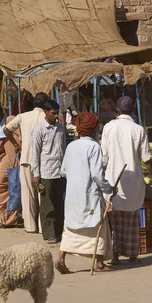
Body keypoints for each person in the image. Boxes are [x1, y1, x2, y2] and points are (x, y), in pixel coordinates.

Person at [102, 95, 152, 266]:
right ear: (133, 110)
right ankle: (133, 255)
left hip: (113, 180)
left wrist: (101, 176)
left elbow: (103, 157)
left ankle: (115, 255)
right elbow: (146, 157)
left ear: (117, 111)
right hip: (133, 179)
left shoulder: (109, 127)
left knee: (114, 217)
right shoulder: (138, 129)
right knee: (132, 218)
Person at [57, 112, 114, 274]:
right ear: (94, 129)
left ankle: (61, 257)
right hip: (90, 194)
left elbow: (63, 171)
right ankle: (100, 263)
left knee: (71, 227)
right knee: (98, 226)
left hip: (73, 194)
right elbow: (97, 174)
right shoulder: (94, 147)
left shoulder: (71, 146)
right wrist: (108, 189)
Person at [3, 92, 48, 234]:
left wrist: (16, 143)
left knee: (28, 194)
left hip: (26, 159)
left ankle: (30, 226)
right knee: (42, 194)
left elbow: (6, 129)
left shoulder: (23, 116)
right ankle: (42, 227)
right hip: (43, 160)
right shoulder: (47, 118)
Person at [31, 99, 66, 244]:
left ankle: (59, 232)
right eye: (53, 113)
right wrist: (36, 174)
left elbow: (63, 148)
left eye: (57, 113)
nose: (56, 116)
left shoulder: (60, 128)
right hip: (46, 172)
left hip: (60, 171)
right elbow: (35, 153)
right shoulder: (38, 130)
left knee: (60, 203)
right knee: (47, 205)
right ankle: (49, 234)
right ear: (45, 112)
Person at [0, 115, 21, 228]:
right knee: (8, 191)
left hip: (12, 165)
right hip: (11, 164)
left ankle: (5, 219)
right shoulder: (16, 136)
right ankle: (5, 218)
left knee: (7, 192)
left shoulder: (14, 136)